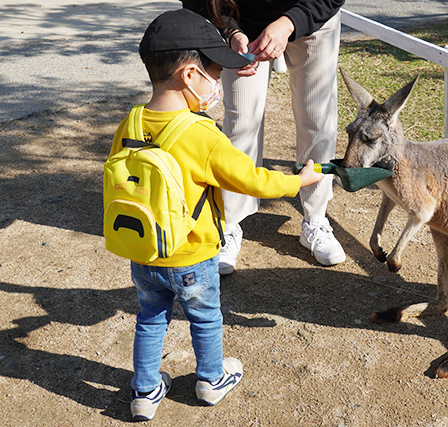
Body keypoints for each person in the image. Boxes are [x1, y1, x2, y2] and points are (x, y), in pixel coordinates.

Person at [108, 9, 323, 421]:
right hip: (192, 254)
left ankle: (145, 390)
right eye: (213, 71)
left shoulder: (130, 123)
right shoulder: (200, 133)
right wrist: (298, 181)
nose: (217, 82)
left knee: (151, 318)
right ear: (190, 76)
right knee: (205, 317)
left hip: (145, 251)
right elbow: (255, 181)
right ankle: (210, 380)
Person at [181, 0, 347, 275]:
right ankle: (230, 223)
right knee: (241, 123)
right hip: (240, 25)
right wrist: (230, 32)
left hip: (311, 16)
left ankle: (315, 219)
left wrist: (288, 23)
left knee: (317, 119)